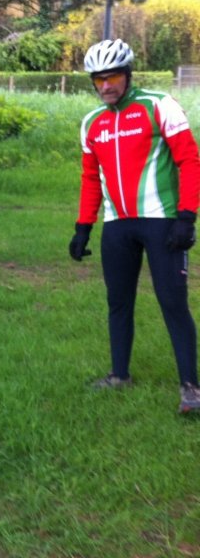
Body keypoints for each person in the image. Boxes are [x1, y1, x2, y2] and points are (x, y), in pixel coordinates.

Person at [69, 38, 200, 413]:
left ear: (127, 75)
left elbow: (190, 161)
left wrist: (187, 216)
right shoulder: (91, 123)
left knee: (173, 301)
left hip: (162, 223)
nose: (105, 86)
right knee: (118, 301)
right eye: (97, 80)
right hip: (117, 226)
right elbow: (90, 179)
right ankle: (119, 375)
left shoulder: (158, 105)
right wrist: (83, 227)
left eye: (111, 77)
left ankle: (191, 387)